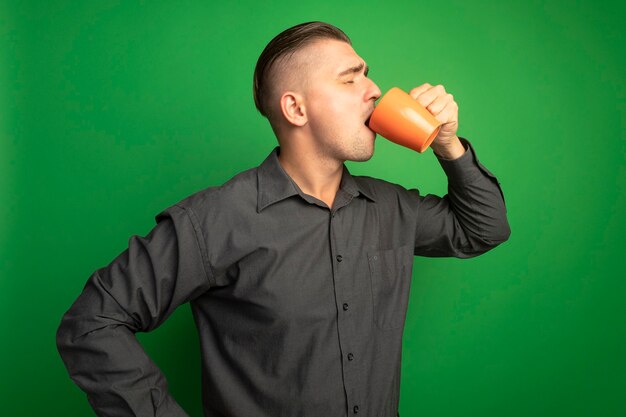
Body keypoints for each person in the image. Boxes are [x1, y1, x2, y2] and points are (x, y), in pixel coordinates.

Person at [56, 21, 510, 417]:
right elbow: (92, 322)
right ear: (296, 109)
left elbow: (483, 229)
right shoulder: (215, 219)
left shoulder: (392, 208)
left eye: (367, 74)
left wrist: (447, 143)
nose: (374, 89)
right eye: (350, 79)